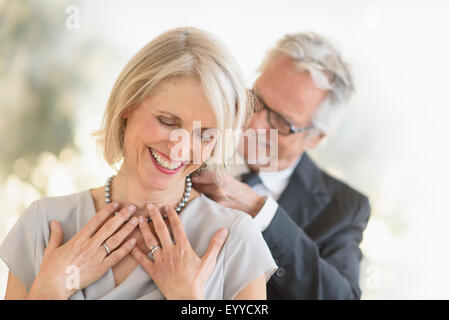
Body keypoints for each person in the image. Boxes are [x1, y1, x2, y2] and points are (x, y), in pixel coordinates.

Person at [0, 27, 277, 300]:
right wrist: (49, 291)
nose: (180, 147)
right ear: (127, 106)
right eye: (167, 121)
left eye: (205, 135)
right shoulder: (42, 225)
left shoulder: (237, 240)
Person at [192, 32, 371, 299]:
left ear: (317, 137)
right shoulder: (196, 140)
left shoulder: (342, 207)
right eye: (257, 98)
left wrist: (261, 212)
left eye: (280, 122)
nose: (255, 124)